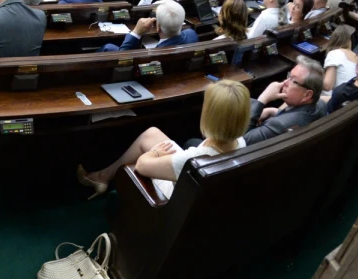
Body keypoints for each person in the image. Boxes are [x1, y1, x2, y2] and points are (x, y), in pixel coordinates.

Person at [77, 79, 250, 200]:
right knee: (152, 133)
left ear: (209, 116)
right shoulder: (240, 141)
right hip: (194, 181)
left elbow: (142, 166)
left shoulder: (190, 160)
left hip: (174, 195)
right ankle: (103, 176)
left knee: (147, 147)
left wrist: (154, 153)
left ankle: (101, 177)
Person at [243, 59, 326, 146]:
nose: (285, 82)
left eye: (293, 81)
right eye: (289, 76)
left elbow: (243, 140)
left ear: (307, 95)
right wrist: (272, 111)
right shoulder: (320, 105)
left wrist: (263, 98)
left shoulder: (278, 124)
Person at [101, 0, 197, 53]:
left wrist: (136, 32)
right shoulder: (192, 34)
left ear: (157, 26)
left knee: (108, 47)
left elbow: (120, 57)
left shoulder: (154, 53)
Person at [320, 24, 358, 100]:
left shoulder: (334, 54)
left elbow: (328, 86)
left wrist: (311, 78)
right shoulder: (356, 57)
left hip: (336, 100)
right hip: (350, 99)